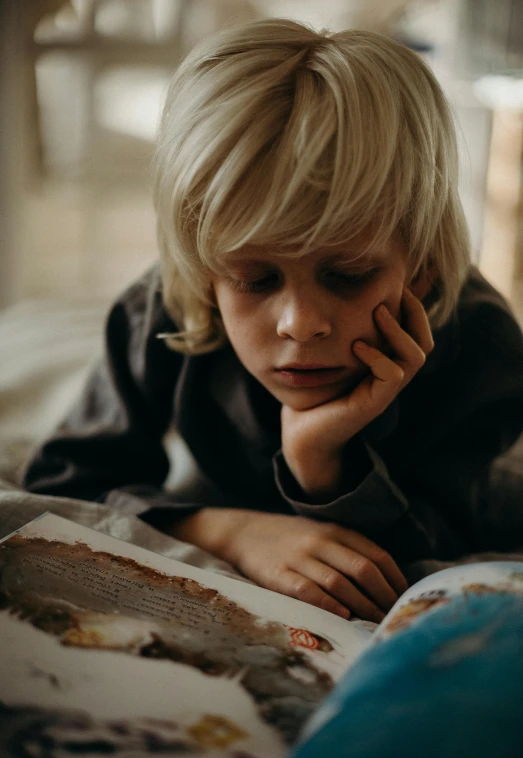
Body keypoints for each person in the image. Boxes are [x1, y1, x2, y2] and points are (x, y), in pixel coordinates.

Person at [24, 18, 523, 623]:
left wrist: (319, 462)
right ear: (204, 271)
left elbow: (420, 555)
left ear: (417, 263)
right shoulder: (160, 307)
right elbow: (62, 483)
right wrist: (226, 531)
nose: (300, 324)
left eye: (348, 274)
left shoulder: (483, 345)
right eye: (254, 280)